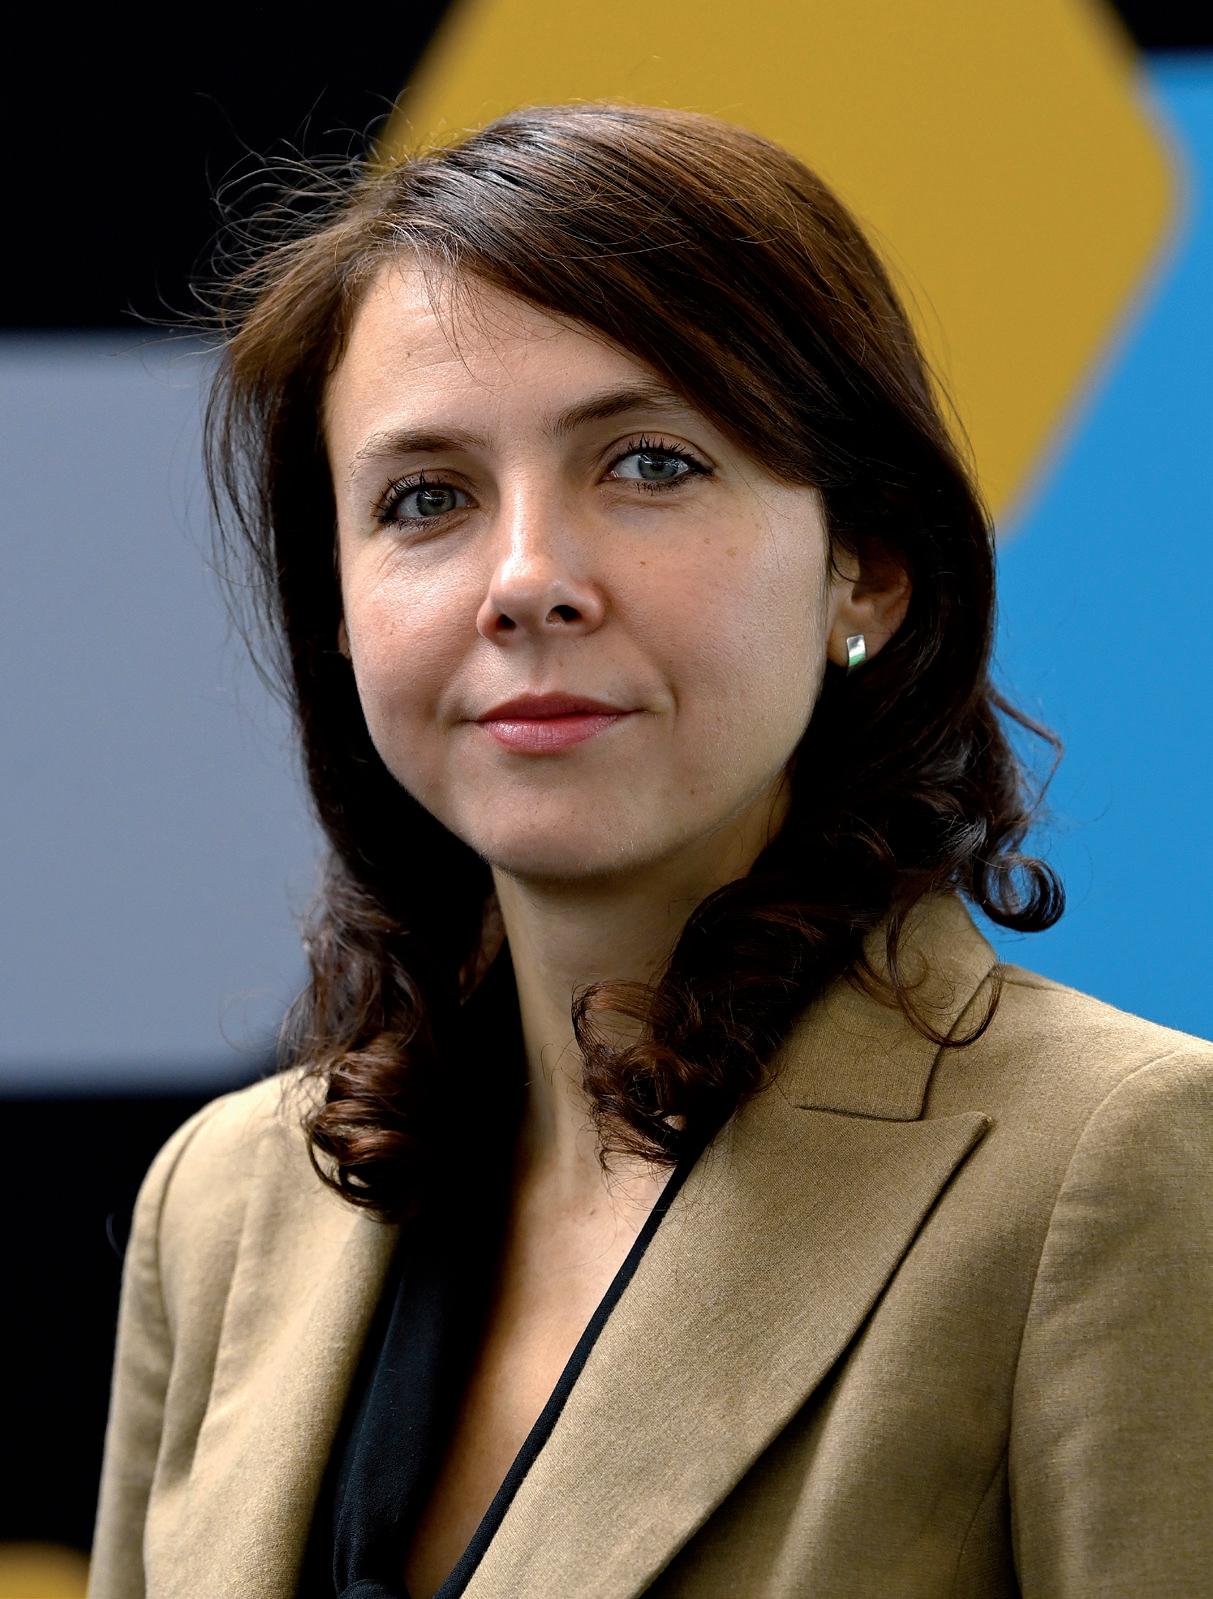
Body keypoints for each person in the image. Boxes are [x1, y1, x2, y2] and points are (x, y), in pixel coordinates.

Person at [88, 101, 1212, 1599]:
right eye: (425, 498)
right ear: (338, 612)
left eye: (650, 464)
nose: (526, 579)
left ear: (865, 568)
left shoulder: (1121, 1166)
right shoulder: (221, 1209)